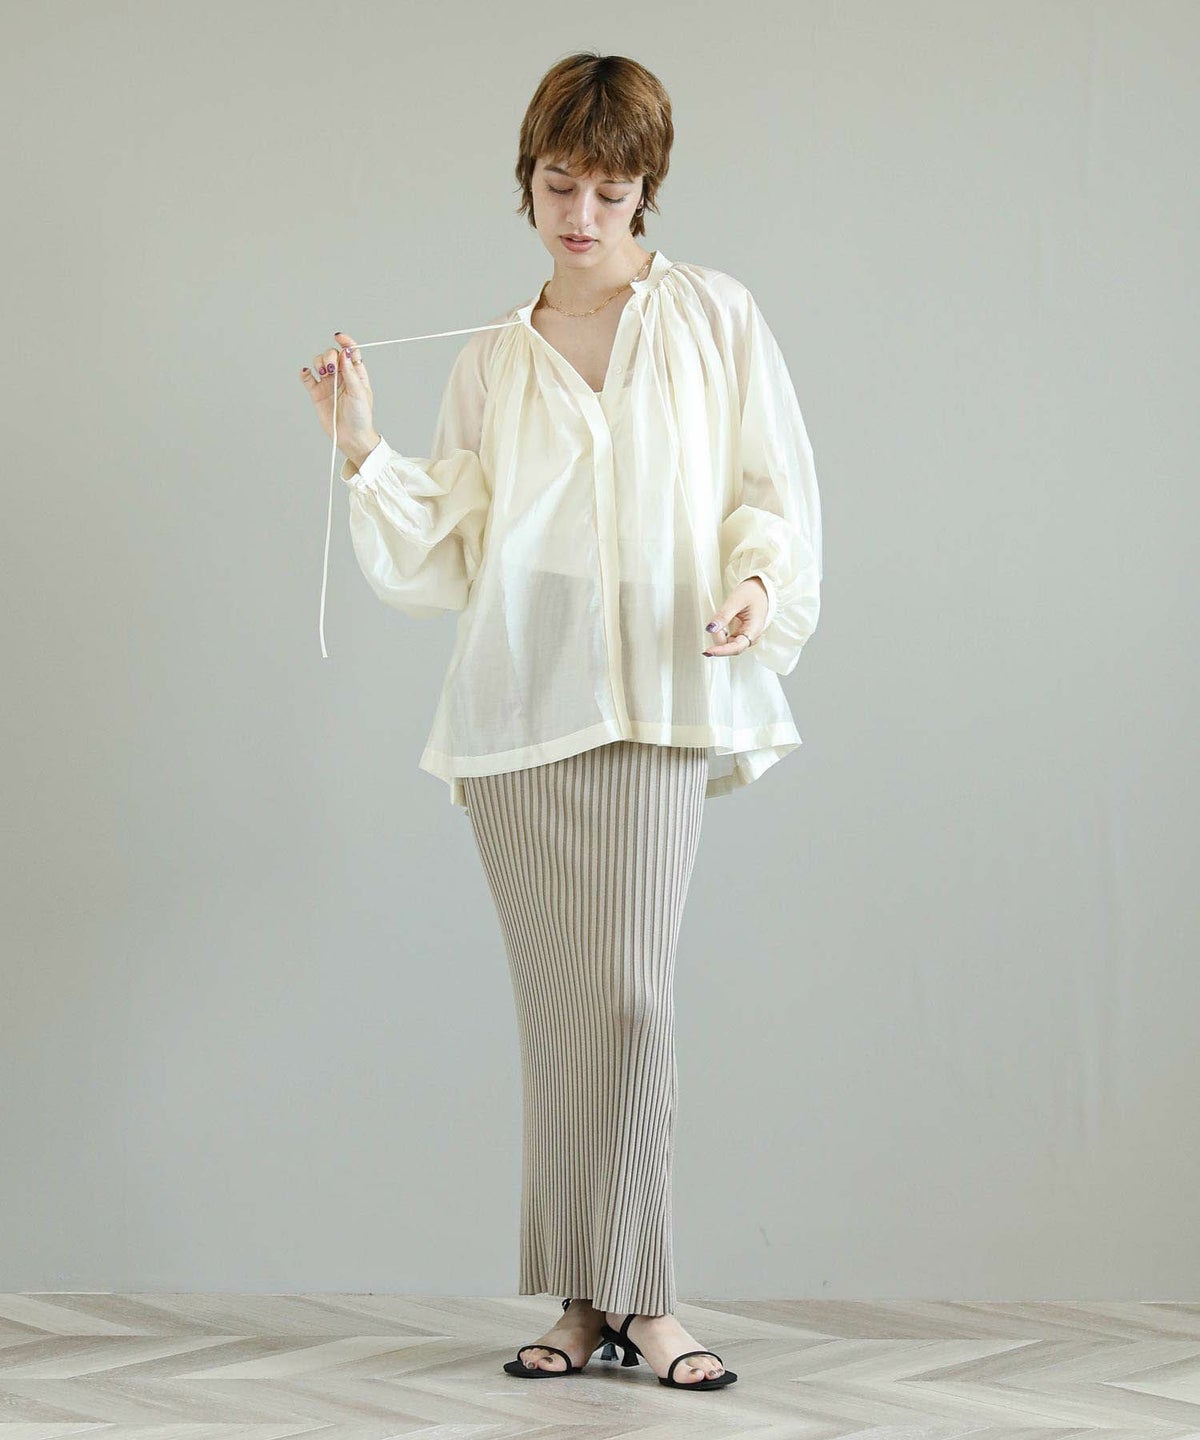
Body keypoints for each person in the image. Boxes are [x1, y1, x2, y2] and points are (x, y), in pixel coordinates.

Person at [299, 51, 822, 1394]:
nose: (581, 213)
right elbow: (450, 549)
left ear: (647, 189)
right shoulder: (492, 359)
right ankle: (583, 1303)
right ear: (526, 182)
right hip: (516, 717)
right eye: (557, 183)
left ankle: (650, 1299)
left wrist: (757, 587)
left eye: (609, 187)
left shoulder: (712, 317)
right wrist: (361, 447)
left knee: (632, 1000)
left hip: (656, 698)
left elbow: (768, 486)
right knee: (562, 1021)